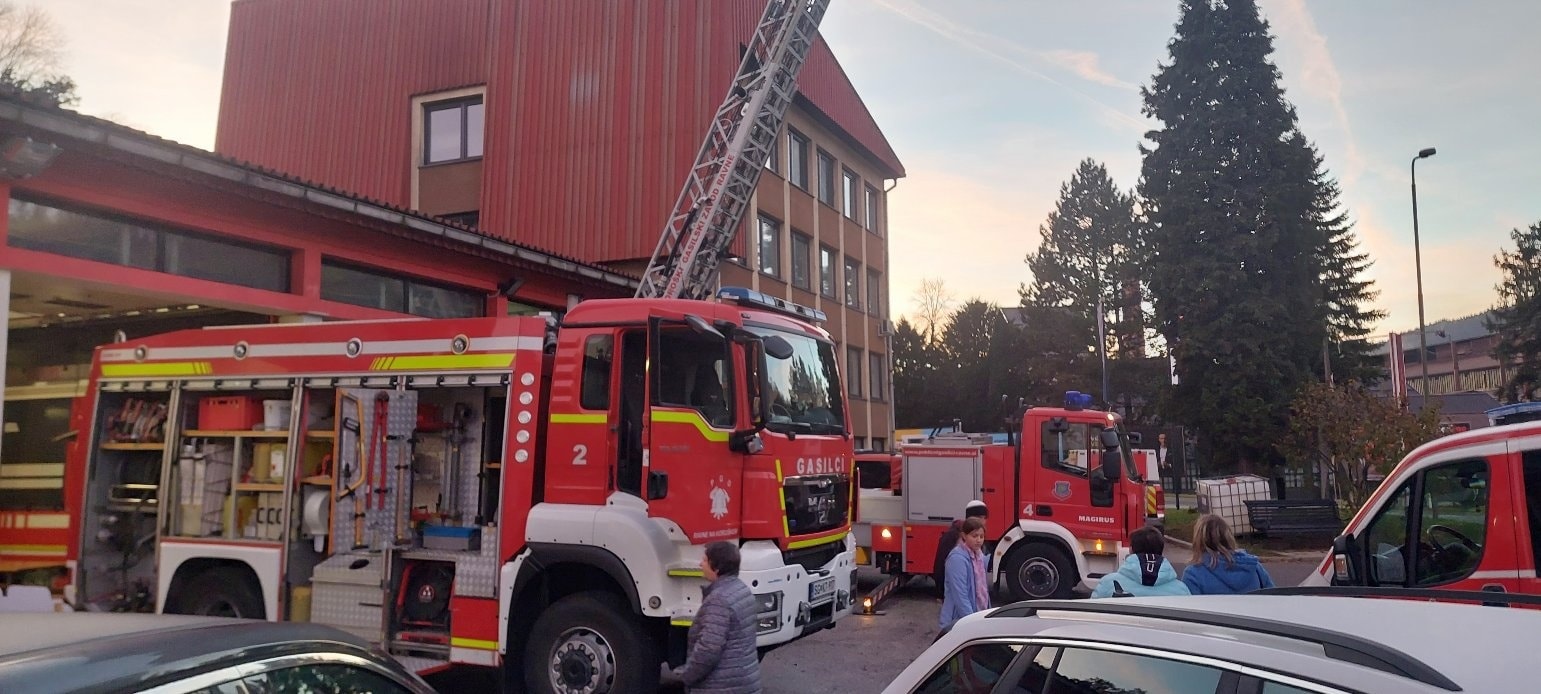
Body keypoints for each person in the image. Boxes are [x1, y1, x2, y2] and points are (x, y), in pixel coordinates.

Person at [671, 541, 761, 693]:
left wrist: (688, 676)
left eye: (705, 560)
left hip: (719, 687)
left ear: (717, 568)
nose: (700, 564)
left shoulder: (718, 601)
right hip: (744, 682)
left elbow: (708, 649)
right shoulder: (742, 590)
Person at [1182, 513, 1276, 595]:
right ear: (1229, 536)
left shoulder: (1193, 574)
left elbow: (1192, 611)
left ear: (1198, 540)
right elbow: (1273, 597)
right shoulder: (1253, 566)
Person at [1090, 525, 1190, 598]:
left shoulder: (1108, 584)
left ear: (1131, 550)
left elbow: (1092, 618)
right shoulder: (1181, 591)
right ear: (1161, 551)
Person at [938, 517, 990, 636]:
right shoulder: (957, 559)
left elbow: (983, 591)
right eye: (974, 536)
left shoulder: (979, 556)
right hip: (957, 622)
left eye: (981, 536)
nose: (978, 540)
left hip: (975, 617)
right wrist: (972, 621)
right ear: (964, 536)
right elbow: (960, 595)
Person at [932, 500, 988, 598]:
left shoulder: (977, 538)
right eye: (979, 517)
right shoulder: (952, 536)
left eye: (984, 518)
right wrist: (941, 593)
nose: (983, 521)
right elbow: (940, 566)